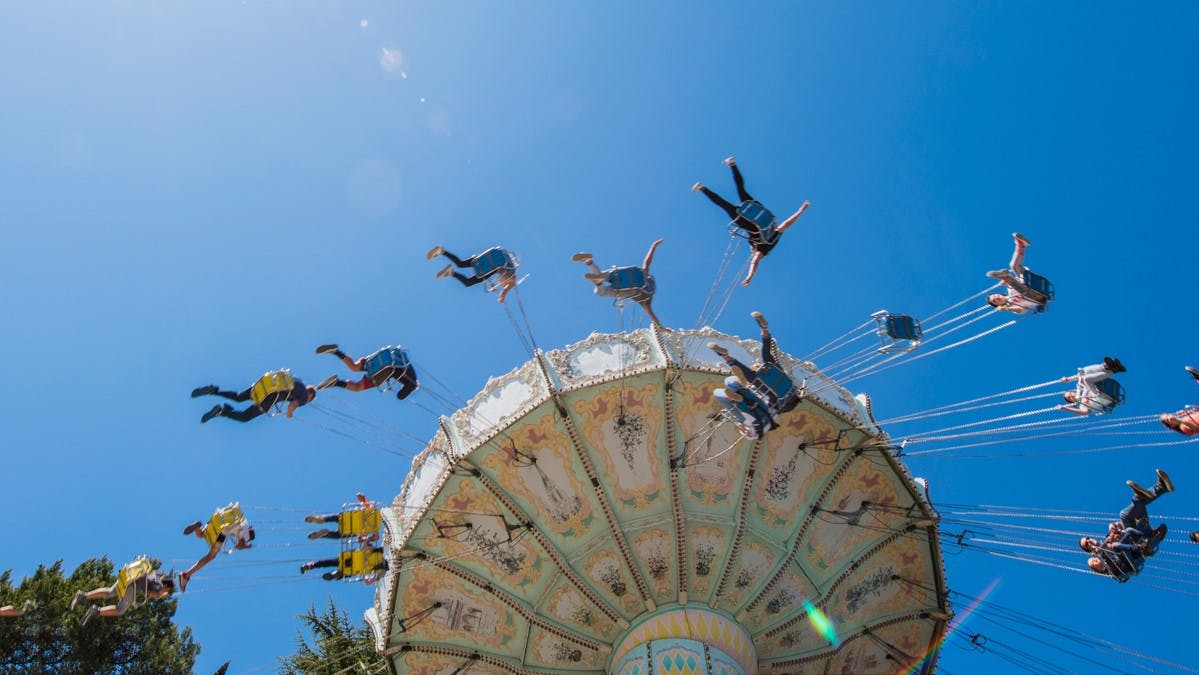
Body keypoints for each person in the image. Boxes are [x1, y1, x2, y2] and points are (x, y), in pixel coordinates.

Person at [692, 157, 810, 286]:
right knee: (724, 205)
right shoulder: (761, 248)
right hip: (749, 222)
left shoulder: (772, 237)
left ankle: (732, 164)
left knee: (741, 191)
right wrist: (750, 276)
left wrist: (801, 210)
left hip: (757, 209)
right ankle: (702, 188)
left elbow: (785, 225)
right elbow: (755, 261)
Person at [709, 311, 799, 438]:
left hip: (765, 400)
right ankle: (727, 366)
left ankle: (764, 329)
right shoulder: (755, 429)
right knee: (725, 388)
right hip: (754, 409)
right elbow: (747, 431)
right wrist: (741, 426)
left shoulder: (775, 375)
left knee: (764, 359)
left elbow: (766, 352)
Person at [1079, 470, 1173, 580]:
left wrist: (1116, 527)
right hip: (1137, 546)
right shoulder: (1105, 557)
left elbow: (1121, 529)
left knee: (1126, 514)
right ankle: (1154, 491)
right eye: (1087, 544)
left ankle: (1156, 489)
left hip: (1136, 533)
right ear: (1090, 551)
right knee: (1129, 512)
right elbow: (1120, 569)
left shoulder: (1107, 538)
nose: (1089, 541)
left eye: (1088, 538)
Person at [571, 238, 667, 328]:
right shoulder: (646, 298)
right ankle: (598, 283)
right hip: (622, 289)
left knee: (599, 274)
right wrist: (661, 327)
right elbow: (651, 314)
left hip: (616, 274)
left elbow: (647, 261)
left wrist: (653, 247)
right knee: (599, 292)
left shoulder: (644, 272)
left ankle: (589, 261)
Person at [177, 504, 255, 592]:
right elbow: (240, 545)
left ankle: (197, 528)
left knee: (202, 535)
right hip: (224, 530)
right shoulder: (246, 534)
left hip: (218, 521)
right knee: (211, 556)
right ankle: (186, 574)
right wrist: (246, 546)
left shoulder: (243, 521)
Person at [71, 560, 174, 624]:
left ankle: (83, 595)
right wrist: (161, 595)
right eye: (167, 589)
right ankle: (97, 611)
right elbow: (151, 594)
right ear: (165, 585)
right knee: (120, 610)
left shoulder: (153, 575)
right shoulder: (159, 585)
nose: (166, 591)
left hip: (127, 579)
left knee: (110, 592)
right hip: (132, 586)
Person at [192, 370, 316, 423]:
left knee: (239, 397)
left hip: (263, 386)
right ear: (310, 395)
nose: (306, 402)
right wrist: (289, 414)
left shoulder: (295, 380)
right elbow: (293, 405)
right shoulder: (305, 396)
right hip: (270, 397)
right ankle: (222, 412)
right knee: (245, 417)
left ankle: (213, 391)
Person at [314, 344, 419, 400]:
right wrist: (410, 388)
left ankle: (336, 351)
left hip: (380, 359)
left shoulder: (405, 362)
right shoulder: (411, 383)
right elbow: (400, 396)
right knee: (357, 387)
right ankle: (336, 383)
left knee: (354, 367)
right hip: (384, 370)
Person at [428, 245, 518, 303]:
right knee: (468, 282)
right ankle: (451, 273)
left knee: (460, 264)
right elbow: (506, 289)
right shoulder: (512, 279)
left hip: (482, 259)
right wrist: (502, 297)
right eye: (502, 284)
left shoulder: (506, 266)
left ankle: (442, 251)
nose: (500, 282)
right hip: (489, 267)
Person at [985, 232, 1049, 313]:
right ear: (999, 305)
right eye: (995, 301)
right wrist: (1006, 308)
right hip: (1037, 297)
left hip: (1031, 283)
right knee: (1021, 290)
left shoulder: (1009, 289)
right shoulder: (1012, 304)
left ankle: (1021, 245)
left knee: (1013, 266)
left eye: (995, 296)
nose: (996, 298)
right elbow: (1021, 310)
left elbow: (1018, 279)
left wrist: (1007, 283)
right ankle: (1005, 276)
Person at [1056, 357, 1127, 416]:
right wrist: (1065, 409)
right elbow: (1084, 412)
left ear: (1073, 392)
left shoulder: (1084, 389)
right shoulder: (1082, 405)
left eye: (1070, 394)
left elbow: (1080, 376)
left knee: (1084, 371)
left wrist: (1068, 379)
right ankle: (1112, 371)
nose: (1071, 396)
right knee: (1087, 379)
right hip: (1103, 396)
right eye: (1069, 398)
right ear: (1071, 401)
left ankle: (1107, 367)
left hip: (1103, 388)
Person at [305, 492, 381, 543]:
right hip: (353, 529)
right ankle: (325, 534)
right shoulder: (374, 528)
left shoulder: (371, 509)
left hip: (350, 519)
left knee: (338, 518)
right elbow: (375, 538)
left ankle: (320, 519)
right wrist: (365, 539)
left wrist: (363, 502)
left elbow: (359, 495)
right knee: (339, 535)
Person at [300, 546, 388, 584]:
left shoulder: (341, 562)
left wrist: (312, 565)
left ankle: (311, 566)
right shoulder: (346, 572)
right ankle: (380, 565)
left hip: (366, 557)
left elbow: (326, 563)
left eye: (334, 574)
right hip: (370, 564)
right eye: (334, 576)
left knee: (333, 563)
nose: (336, 574)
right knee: (344, 571)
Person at [1159, 366, 1199, 436]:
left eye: (1168, 415)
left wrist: (1190, 410)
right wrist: (1179, 421)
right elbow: (1197, 428)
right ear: (1172, 426)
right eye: (1168, 420)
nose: (1170, 417)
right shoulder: (1183, 427)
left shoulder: (1185, 416)